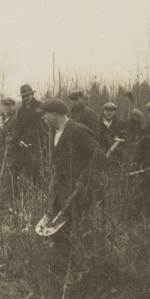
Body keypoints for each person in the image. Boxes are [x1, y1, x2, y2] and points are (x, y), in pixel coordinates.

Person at [38, 99, 96, 257]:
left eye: (45, 115)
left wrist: (83, 182)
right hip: (59, 189)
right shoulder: (53, 132)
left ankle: (81, 263)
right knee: (60, 230)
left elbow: (97, 158)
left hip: (77, 189)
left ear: (55, 115)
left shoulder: (78, 131)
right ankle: (61, 262)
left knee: (78, 228)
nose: (42, 118)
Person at [4, 84, 48, 196]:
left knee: (39, 171)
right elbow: (18, 127)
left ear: (32, 94)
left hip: (39, 143)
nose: (26, 98)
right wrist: (12, 136)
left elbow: (46, 126)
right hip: (25, 144)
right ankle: (28, 196)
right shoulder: (21, 110)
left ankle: (43, 194)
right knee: (27, 171)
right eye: (23, 96)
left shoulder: (41, 106)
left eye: (27, 95)